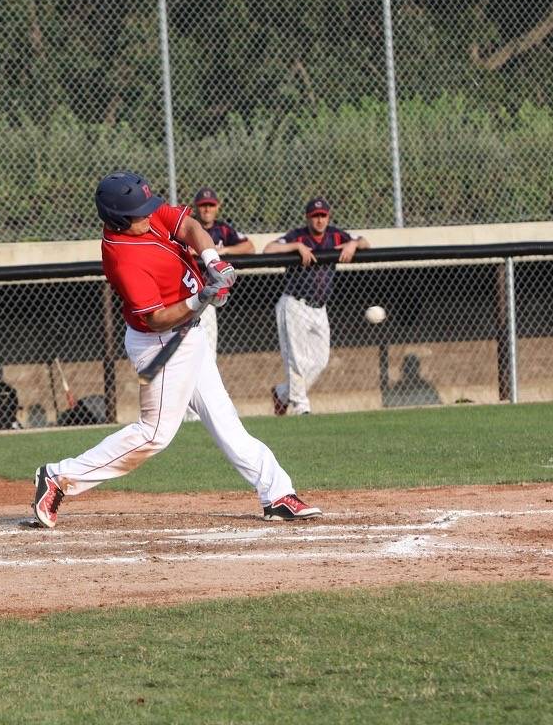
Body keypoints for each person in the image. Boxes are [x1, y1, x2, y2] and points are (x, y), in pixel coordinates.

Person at [30, 171, 321, 528]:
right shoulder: (123, 258)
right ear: (118, 219)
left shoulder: (145, 216)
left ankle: (276, 494)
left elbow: (190, 228)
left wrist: (213, 261)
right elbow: (156, 319)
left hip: (190, 335)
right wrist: (202, 297)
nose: (149, 214)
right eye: (139, 212)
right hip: (162, 344)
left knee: (225, 421)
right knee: (154, 434)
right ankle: (58, 477)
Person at [264, 197, 370, 416]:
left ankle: (283, 394)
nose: (319, 220)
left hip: (320, 307)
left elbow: (366, 243)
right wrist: (296, 247)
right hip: (295, 303)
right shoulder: (298, 235)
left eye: (323, 216)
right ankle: (302, 409)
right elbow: (268, 249)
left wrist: (354, 243)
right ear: (308, 217)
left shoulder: (335, 234)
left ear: (328, 216)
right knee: (296, 359)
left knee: (321, 360)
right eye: (315, 216)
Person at [184, 187, 256, 422]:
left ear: (217, 206)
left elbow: (250, 246)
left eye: (211, 205)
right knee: (184, 353)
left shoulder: (223, 229)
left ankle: (201, 410)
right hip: (187, 298)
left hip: (210, 303)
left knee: (207, 354)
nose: (207, 209)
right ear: (196, 207)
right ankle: (187, 409)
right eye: (203, 205)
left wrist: (220, 251)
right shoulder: (187, 227)